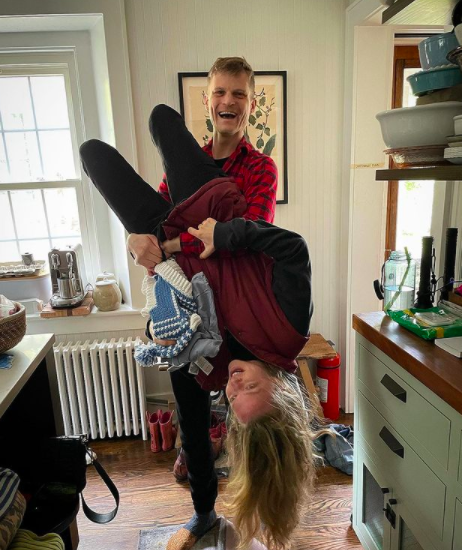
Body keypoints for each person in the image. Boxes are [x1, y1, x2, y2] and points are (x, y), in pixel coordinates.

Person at [79, 101, 314, 550]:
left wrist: (158, 332)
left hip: (167, 243)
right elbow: (294, 249)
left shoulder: (211, 371)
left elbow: (190, 419)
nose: (234, 385)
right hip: (212, 212)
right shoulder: (288, 330)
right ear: (281, 390)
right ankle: (204, 515)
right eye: (249, 388)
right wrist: (224, 235)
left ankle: (204, 514)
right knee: (161, 118)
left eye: (233, 398)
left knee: (92, 153)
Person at [126, 56, 278, 274]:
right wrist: (134, 241)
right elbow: (160, 218)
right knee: (93, 152)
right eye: (219, 92)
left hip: (233, 284)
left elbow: (251, 239)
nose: (228, 100)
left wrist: (174, 244)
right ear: (207, 101)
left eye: (239, 94)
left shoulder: (262, 168)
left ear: (252, 105)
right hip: (180, 282)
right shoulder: (185, 166)